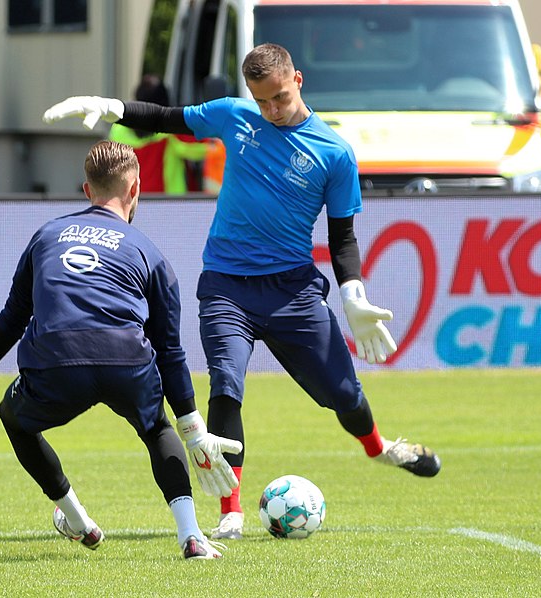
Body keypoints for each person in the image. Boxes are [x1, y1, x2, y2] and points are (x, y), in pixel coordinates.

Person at [42, 43, 441, 542]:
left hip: (292, 290)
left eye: (278, 97)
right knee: (226, 385)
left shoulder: (334, 154)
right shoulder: (237, 115)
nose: (271, 110)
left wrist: (353, 294)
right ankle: (230, 510)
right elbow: (169, 117)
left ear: (298, 79)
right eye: (262, 100)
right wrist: (114, 107)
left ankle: (379, 446)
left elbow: (342, 238)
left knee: (343, 394)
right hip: (226, 286)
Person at [0, 140, 242, 559]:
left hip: (56, 360)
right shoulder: (150, 253)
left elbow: (12, 317)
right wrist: (193, 430)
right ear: (135, 189)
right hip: (126, 360)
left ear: (87, 190)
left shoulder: (46, 236)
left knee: (14, 417)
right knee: (157, 430)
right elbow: (169, 350)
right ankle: (191, 536)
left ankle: (78, 520)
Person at [108, 74, 209, 194]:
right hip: (168, 206)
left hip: (129, 206)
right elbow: (203, 149)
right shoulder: (172, 133)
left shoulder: (117, 132)